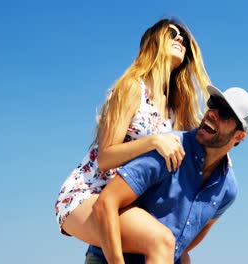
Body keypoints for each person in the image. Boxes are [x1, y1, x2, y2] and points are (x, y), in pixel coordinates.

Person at [54, 17, 211, 263]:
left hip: (128, 201)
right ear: (152, 43)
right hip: (90, 193)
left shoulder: (175, 111)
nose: (180, 38)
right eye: (172, 33)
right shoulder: (131, 88)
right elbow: (105, 158)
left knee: (183, 257)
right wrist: (153, 141)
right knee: (160, 240)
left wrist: (221, 156)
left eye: (184, 38)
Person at [86, 85, 248, 264]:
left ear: (239, 136)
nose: (212, 113)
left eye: (224, 113)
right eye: (213, 104)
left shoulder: (228, 189)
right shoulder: (169, 149)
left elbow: (191, 238)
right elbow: (106, 202)